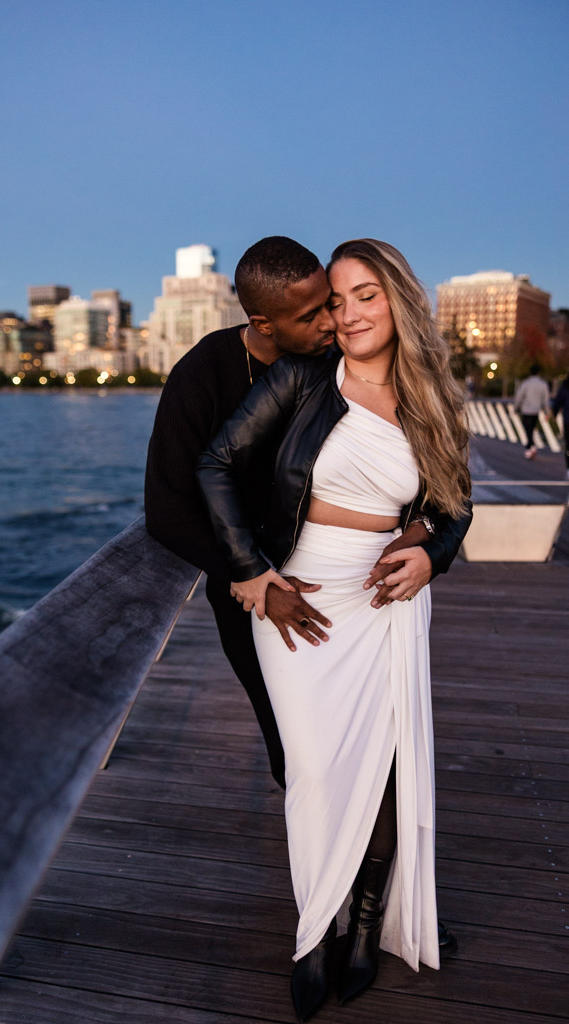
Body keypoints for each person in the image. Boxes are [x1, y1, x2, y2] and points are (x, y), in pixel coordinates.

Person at [197, 239, 472, 1021]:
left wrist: (431, 554)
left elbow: (455, 507)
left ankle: (361, 930)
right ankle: (313, 929)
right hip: (301, 596)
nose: (346, 315)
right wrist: (249, 569)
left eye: (364, 297)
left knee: (384, 769)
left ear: (398, 303)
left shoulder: (433, 402)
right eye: (336, 301)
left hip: (386, 601)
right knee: (315, 772)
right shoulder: (302, 379)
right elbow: (214, 464)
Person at [145, 237, 470, 794]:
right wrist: (250, 575)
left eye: (333, 301)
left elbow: (439, 487)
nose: (333, 321)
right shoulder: (203, 374)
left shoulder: (338, 365)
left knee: (376, 745)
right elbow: (167, 508)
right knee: (294, 748)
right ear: (263, 323)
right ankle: (321, 857)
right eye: (314, 313)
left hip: (349, 585)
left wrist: (429, 545)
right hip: (247, 585)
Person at [513, 363, 550, 459]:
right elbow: (545, 399)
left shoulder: (526, 383)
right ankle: (531, 447)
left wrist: (516, 408)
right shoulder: (543, 384)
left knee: (527, 429)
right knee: (532, 428)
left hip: (526, 410)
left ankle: (530, 447)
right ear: (538, 372)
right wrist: (547, 412)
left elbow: (519, 397)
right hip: (535, 411)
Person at [551, 372, 569, 479]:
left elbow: (557, 402)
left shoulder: (565, 387)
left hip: (568, 421)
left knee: (568, 445)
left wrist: (554, 413)